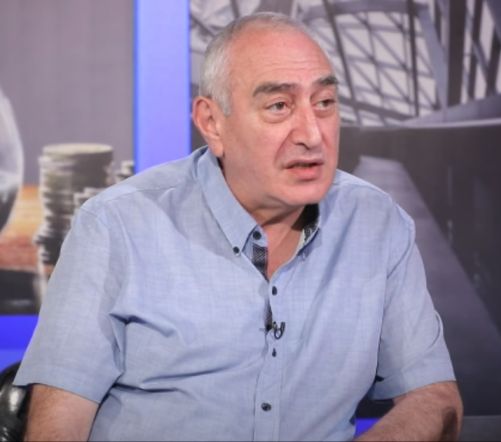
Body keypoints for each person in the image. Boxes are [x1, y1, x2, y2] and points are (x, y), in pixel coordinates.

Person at [14, 12, 461, 441]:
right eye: (279, 106)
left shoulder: (378, 224)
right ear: (212, 123)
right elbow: (55, 430)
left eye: (324, 103)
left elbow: (435, 400)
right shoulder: (115, 227)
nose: (312, 133)